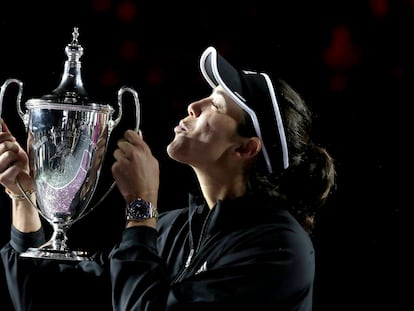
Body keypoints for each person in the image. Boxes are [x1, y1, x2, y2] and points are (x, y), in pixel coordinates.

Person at [0, 46, 335, 310]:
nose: (194, 105)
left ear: (245, 148)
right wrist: (24, 200)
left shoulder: (278, 250)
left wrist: (141, 206)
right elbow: (43, 300)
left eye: (216, 105)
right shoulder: (173, 230)